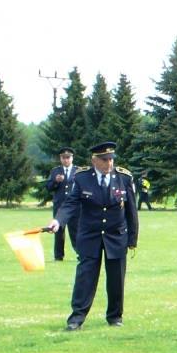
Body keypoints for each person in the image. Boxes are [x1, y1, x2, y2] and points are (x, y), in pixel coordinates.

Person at [48, 141, 138, 331]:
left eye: (111, 159)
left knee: (116, 278)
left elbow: (131, 211)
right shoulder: (82, 178)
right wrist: (58, 221)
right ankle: (76, 318)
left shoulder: (124, 177)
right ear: (94, 160)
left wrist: (132, 239)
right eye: (104, 160)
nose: (109, 163)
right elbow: (71, 203)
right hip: (90, 235)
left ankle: (115, 316)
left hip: (116, 236)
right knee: (85, 277)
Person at [46, 146, 79, 261]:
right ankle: (58, 256)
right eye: (63, 158)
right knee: (58, 231)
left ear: (72, 158)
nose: (66, 160)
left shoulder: (78, 171)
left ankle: (80, 254)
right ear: (60, 158)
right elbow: (48, 187)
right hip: (59, 206)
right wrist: (55, 181)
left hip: (75, 207)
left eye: (68, 157)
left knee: (75, 231)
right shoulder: (55, 171)